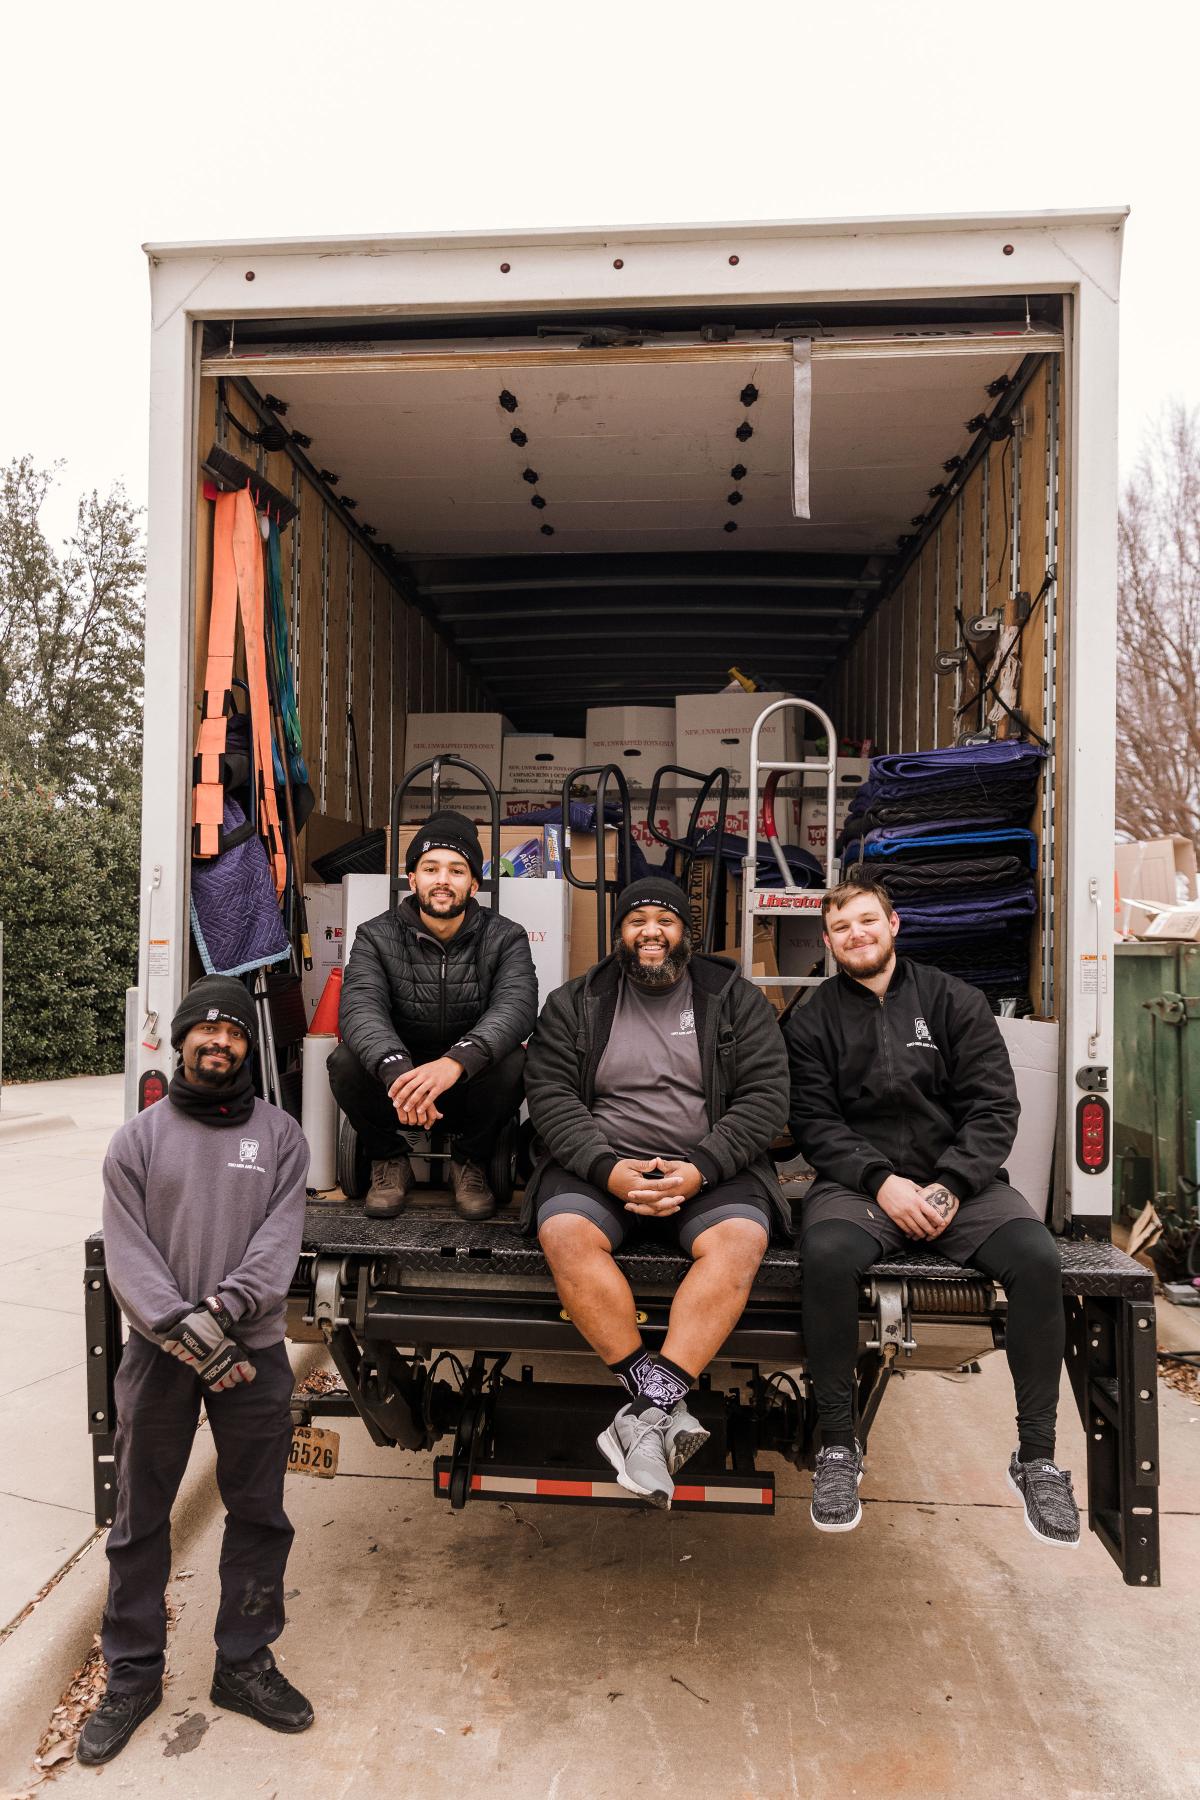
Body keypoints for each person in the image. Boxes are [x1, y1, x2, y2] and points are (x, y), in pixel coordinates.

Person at [784, 873, 1080, 1548]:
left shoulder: (953, 1000)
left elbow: (994, 1106)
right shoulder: (813, 1017)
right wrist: (880, 1181)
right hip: (862, 1187)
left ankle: (1036, 1459)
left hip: (961, 1184)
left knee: (1037, 1260)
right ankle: (838, 1448)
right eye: (840, 928)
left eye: (866, 921)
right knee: (825, 1256)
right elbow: (813, 1121)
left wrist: (949, 1185)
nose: (855, 935)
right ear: (828, 941)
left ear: (894, 926)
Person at [79, 976, 312, 1767]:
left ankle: (243, 1664)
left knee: (258, 1513)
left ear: (249, 1046)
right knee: (139, 1517)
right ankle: (133, 1675)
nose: (219, 1043)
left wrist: (222, 1312)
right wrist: (181, 1325)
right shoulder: (137, 1140)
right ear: (180, 1043)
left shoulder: (281, 1136)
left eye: (234, 1033)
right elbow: (127, 1253)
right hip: (158, 1353)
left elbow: (278, 1246)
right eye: (204, 1033)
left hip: (252, 1349)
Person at [524, 877, 790, 1509]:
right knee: (563, 1233)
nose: (650, 932)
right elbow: (551, 1095)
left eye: (664, 920)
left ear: (686, 932)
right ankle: (656, 1406)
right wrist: (607, 1170)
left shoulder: (734, 998)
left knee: (740, 1242)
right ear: (619, 931)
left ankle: (641, 1417)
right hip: (599, 1166)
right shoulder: (577, 1001)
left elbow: (766, 1098)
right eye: (637, 919)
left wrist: (699, 1168)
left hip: (709, 1168)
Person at [329, 809, 538, 1220]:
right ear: (413, 879)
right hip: (398, 1089)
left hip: (468, 1086)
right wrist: (399, 1073)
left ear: (473, 883)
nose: (443, 880)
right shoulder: (375, 934)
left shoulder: (506, 936)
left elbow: (516, 1007)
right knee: (344, 1062)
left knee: (517, 1061)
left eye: (457, 870)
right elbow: (360, 1007)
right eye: (431, 868)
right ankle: (389, 1161)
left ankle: (470, 1162)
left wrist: (454, 1063)